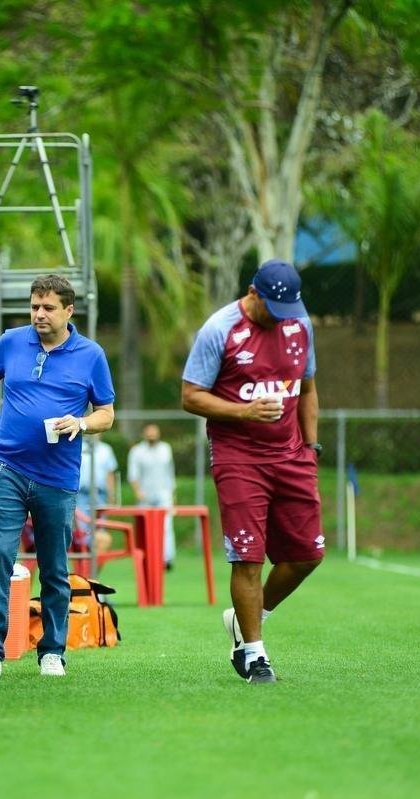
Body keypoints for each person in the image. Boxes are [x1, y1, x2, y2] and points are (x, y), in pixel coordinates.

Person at [180, 259, 323, 686]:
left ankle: (246, 618)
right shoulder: (219, 329)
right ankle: (254, 655)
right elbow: (190, 396)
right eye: (273, 309)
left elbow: (308, 388)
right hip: (239, 457)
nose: (281, 318)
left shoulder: (300, 325)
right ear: (252, 292)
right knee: (247, 557)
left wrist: (311, 447)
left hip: (292, 455)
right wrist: (245, 411)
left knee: (307, 555)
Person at [0, 274, 115, 678]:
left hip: (57, 478)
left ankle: (52, 651)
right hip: (7, 468)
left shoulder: (91, 355)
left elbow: (106, 414)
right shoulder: (10, 341)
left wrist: (81, 423)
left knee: (53, 567)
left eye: (48, 308)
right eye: (35, 306)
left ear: (69, 310)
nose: (39, 314)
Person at [127, 423, 176, 570]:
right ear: (144, 434)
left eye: (154, 432)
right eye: (149, 432)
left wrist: (172, 493)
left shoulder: (166, 449)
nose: (152, 435)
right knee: (145, 528)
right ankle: (147, 557)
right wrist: (138, 491)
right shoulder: (137, 451)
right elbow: (133, 474)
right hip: (145, 495)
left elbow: (170, 473)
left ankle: (166, 559)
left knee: (166, 527)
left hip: (163, 493)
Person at [75, 434, 118, 552]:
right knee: (83, 531)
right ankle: (85, 555)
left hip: (100, 495)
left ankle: (95, 561)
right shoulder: (78, 447)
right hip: (81, 495)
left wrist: (111, 494)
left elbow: (110, 473)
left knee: (101, 532)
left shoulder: (106, 450)